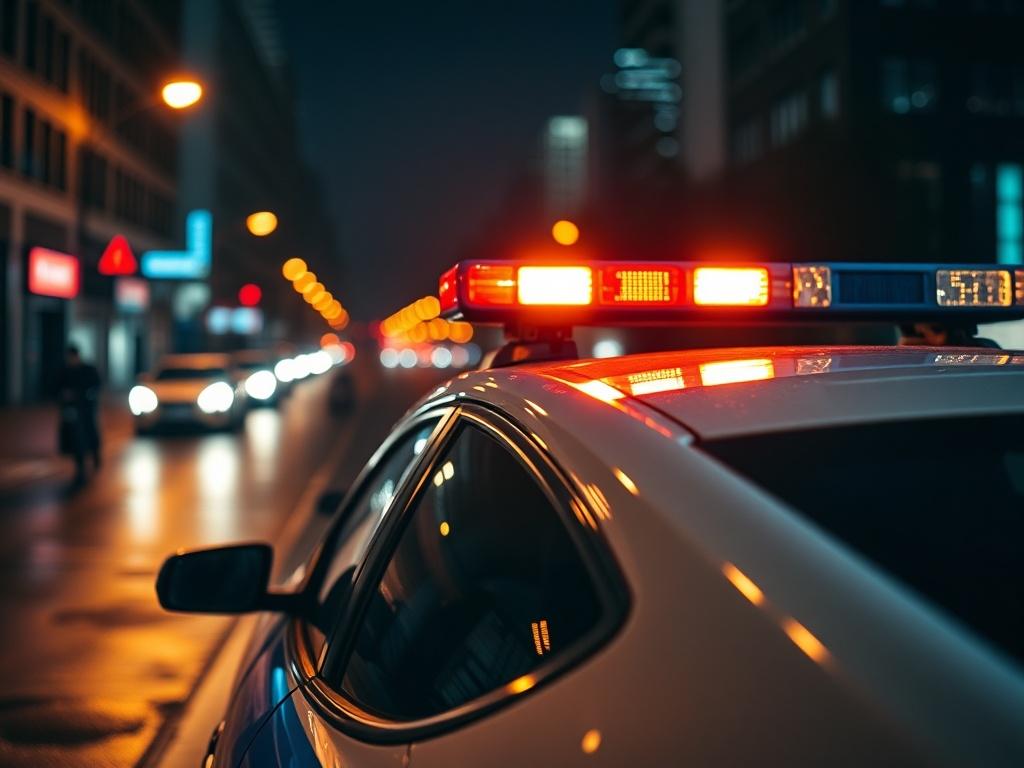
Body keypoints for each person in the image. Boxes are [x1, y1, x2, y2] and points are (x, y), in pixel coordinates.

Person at [56, 345, 102, 485]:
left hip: (86, 410)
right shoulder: (65, 371)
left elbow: (96, 386)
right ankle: (79, 465)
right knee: (73, 438)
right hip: (71, 411)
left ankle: (94, 455)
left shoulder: (87, 370)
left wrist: (85, 396)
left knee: (89, 433)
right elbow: (56, 387)